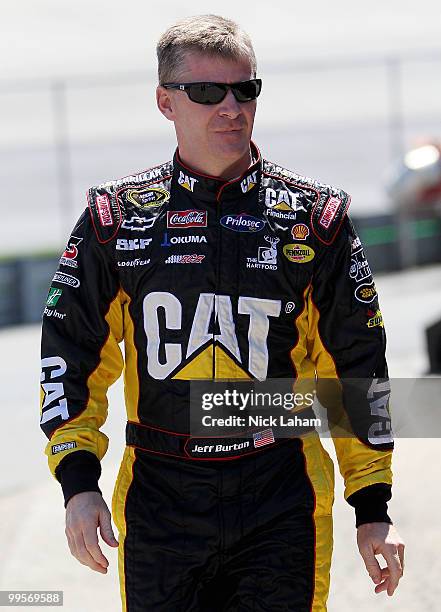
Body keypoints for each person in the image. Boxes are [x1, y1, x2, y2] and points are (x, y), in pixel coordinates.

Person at [40, 14, 405, 612]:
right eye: (207, 92)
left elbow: (358, 367)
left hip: (281, 491)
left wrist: (373, 507)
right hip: (161, 497)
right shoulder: (115, 218)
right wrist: (79, 485)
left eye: (245, 89)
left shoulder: (316, 219)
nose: (230, 107)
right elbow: (70, 357)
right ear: (166, 101)